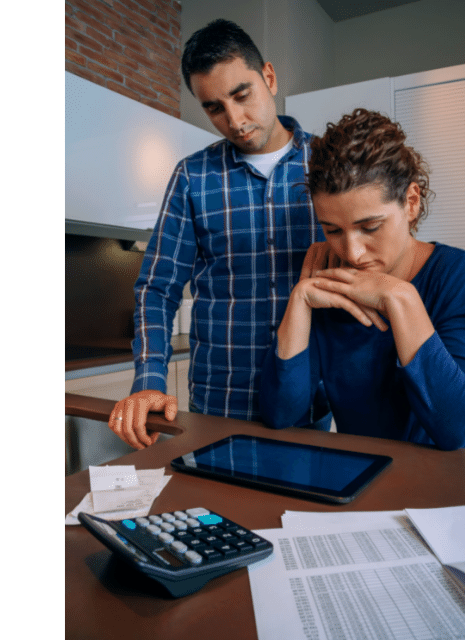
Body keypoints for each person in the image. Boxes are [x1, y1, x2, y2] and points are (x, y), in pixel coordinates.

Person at [108, 19, 329, 449]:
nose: (234, 120)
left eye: (241, 95)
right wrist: (149, 380)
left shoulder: (327, 164)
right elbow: (157, 288)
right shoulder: (192, 177)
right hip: (219, 405)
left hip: (311, 400)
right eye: (214, 108)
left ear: (268, 76)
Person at [258, 109, 465, 451]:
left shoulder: (454, 271)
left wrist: (400, 297)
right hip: (364, 479)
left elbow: (456, 428)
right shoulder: (327, 276)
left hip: (448, 486)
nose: (352, 252)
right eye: (333, 230)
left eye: (370, 227)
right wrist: (300, 302)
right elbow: (280, 414)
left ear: (411, 203)